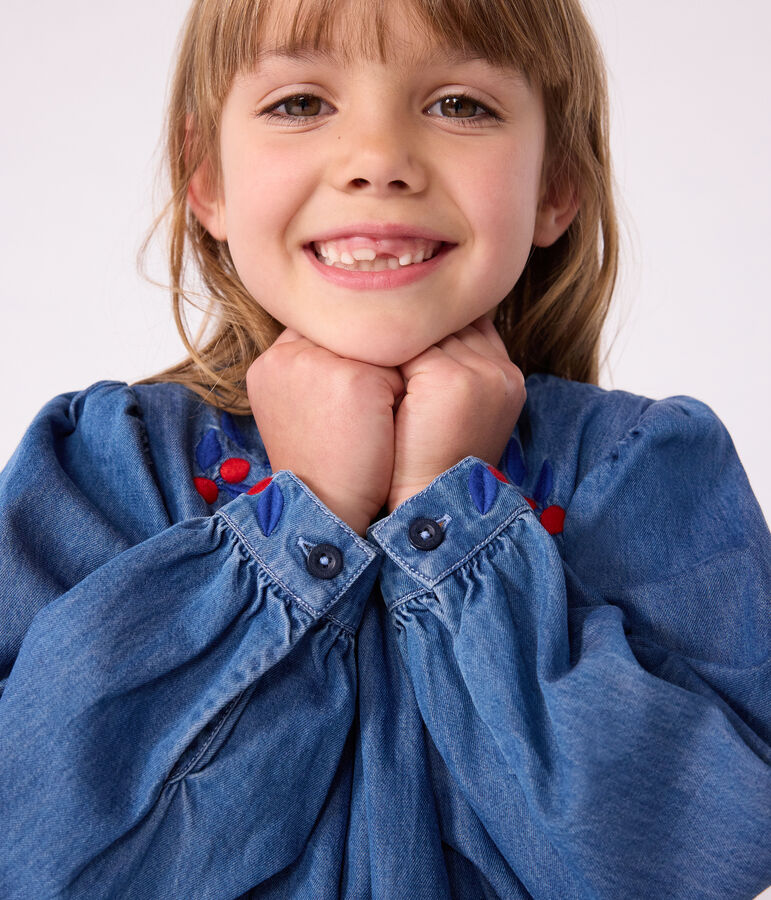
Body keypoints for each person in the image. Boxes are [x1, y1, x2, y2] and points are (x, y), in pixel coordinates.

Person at [0, 0, 769, 896]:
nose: (379, 162)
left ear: (556, 183)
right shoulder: (108, 470)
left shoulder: (637, 469)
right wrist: (302, 526)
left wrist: (449, 517)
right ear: (204, 176)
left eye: (458, 105)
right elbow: (41, 856)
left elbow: (684, 856)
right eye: (299, 103)